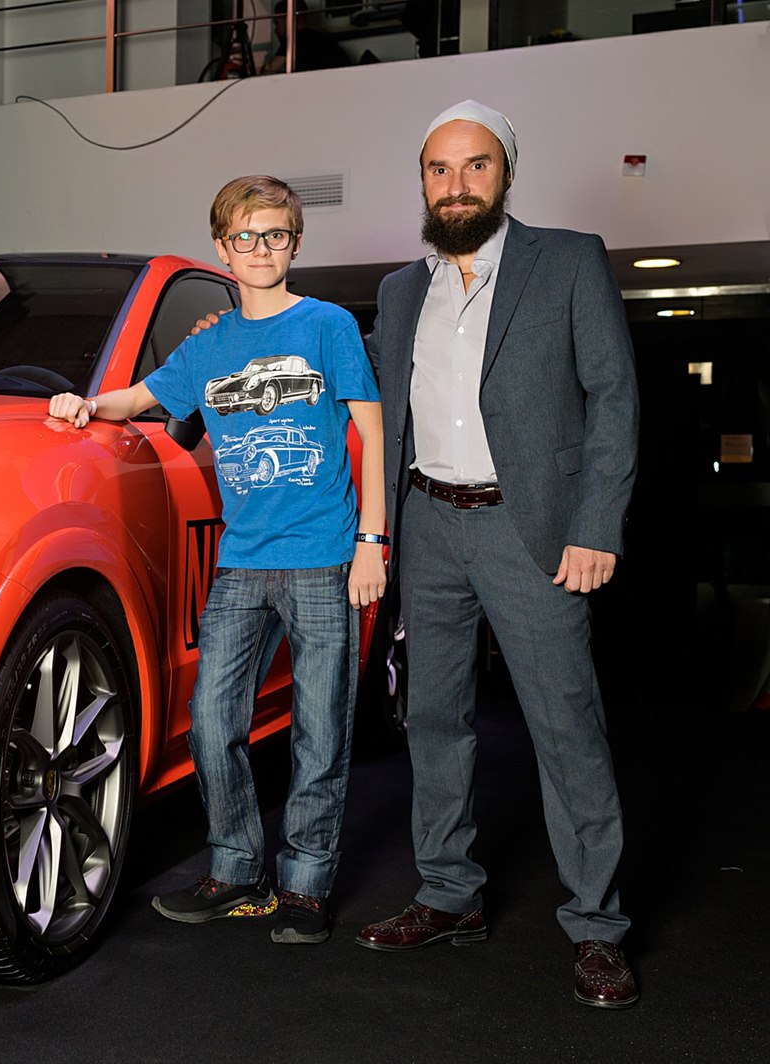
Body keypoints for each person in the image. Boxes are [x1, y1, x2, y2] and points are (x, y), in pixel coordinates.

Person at [352, 101, 641, 1009]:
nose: (457, 184)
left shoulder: (569, 260)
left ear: (506, 173)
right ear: (423, 182)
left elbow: (614, 396)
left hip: (534, 529)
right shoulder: (401, 290)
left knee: (566, 727)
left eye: (475, 165)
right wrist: (233, 340)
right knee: (434, 721)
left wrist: (597, 525)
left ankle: (597, 927)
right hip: (429, 526)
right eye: (439, 169)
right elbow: (357, 386)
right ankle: (449, 894)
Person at [47, 175, 386, 944]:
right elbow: (138, 398)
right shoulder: (208, 346)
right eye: (245, 236)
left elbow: (373, 430)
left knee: (321, 733)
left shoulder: (328, 325)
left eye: (275, 235)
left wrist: (372, 544)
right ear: (222, 248)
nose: (260, 249)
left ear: (295, 243)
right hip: (241, 564)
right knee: (209, 723)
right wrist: (84, 405)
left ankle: (305, 885)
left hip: (324, 558)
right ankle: (235, 870)